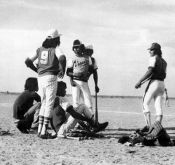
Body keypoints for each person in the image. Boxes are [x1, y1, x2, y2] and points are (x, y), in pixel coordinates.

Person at [25, 29, 66, 139]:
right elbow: (62, 58)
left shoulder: (39, 49)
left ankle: (40, 130)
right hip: (51, 77)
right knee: (49, 103)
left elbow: (27, 61)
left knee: (43, 102)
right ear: (56, 39)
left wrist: (37, 70)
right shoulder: (55, 49)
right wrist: (63, 69)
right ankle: (43, 131)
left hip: (41, 77)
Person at [135, 43, 167, 128]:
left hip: (154, 83)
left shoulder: (153, 58)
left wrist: (139, 81)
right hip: (161, 84)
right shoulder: (164, 62)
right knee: (158, 106)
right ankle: (157, 127)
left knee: (145, 103)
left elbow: (150, 71)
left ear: (156, 50)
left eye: (151, 49)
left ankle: (148, 127)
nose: (150, 51)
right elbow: (163, 75)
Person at [66, 40, 94, 114]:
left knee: (88, 101)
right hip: (75, 82)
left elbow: (91, 69)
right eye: (74, 48)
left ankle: (91, 121)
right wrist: (73, 78)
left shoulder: (88, 58)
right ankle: (77, 123)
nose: (76, 49)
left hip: (84, 82)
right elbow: (68, 72)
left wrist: (87, 75)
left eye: (78, 47)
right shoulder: (71, 59)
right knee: (76, 102)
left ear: (81, 48)